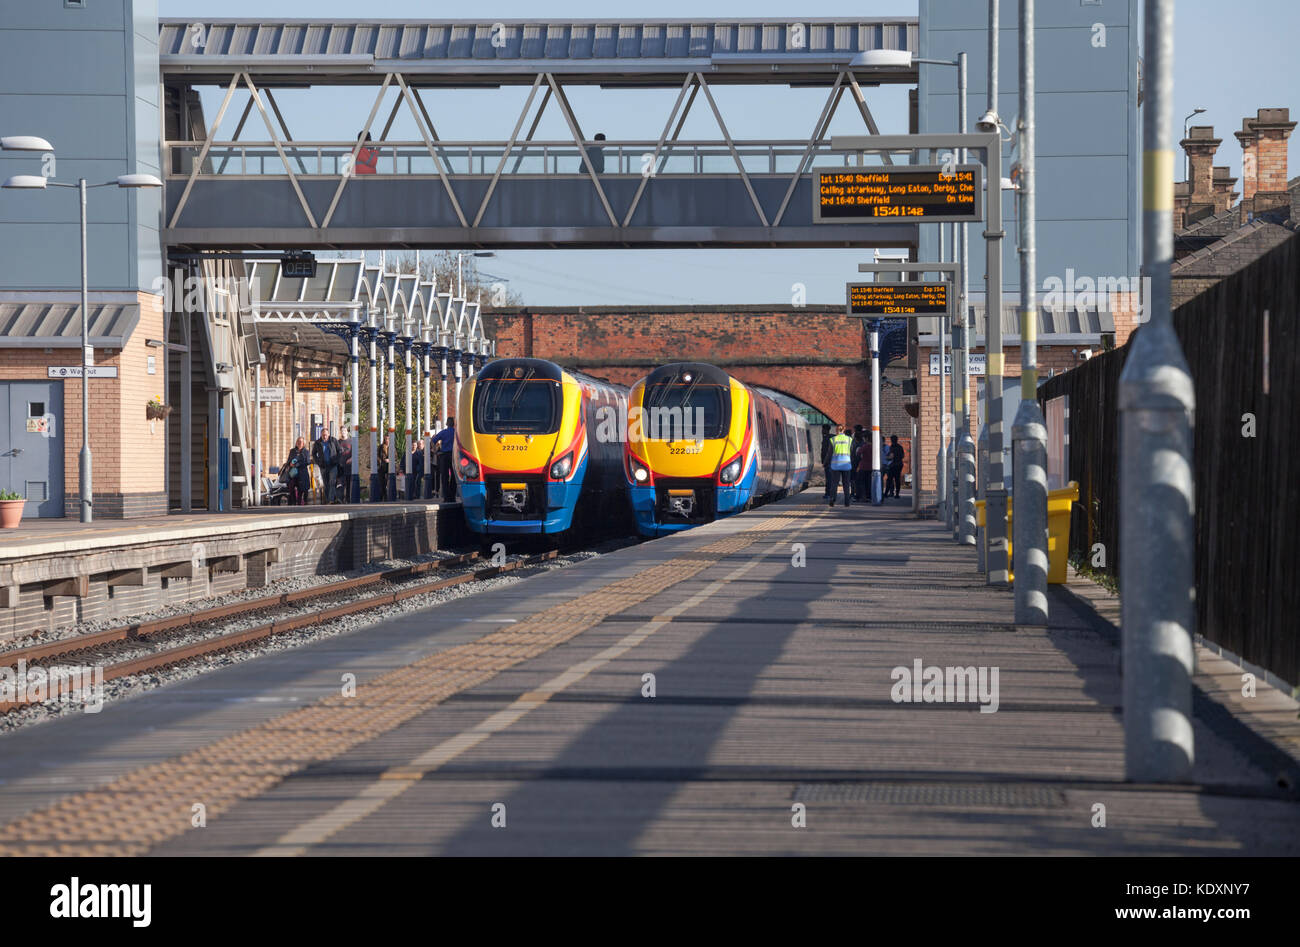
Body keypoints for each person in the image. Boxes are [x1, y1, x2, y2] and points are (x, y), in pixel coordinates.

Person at [828, 423, 853, 508]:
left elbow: (829, 453)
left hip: (836, 465)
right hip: (846, 465)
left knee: (834, 483)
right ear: (844, 429)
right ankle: (847, 502)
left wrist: (825, 462)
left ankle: (832, 499)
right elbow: (852, 452)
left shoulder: (833, 439)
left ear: (836, 429)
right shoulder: (849, 439)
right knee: (846, 484)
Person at [432, 417, 457, 502]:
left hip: (444, 455)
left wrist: (435, 452)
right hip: (454, 456)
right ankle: (452, 497)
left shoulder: (443, 432)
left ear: (446, 424)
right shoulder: (456, 433)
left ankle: (446, 497)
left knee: (444, 476)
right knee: (454, 476)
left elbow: (433, 441)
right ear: (453, 424)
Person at [312, 427, 339, 504]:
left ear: (328, 434)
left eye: (326, 435)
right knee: (326, 484)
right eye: (323, 435)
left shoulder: (333, 441)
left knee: (332, 482)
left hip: (333, 465)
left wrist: (336, 460)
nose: (325, 436)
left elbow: (339, 450)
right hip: (323, 466)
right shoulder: (318, 443)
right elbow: (314, 453)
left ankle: (331, 500)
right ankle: (328, 500)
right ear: (321, 435)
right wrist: (318, 462)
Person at [284, 437, 311, 506]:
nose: (299, 443)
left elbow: (307, 462)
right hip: (293, 473)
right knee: (291, 486)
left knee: (301, 489)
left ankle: (299, 503)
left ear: (303, 443)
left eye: (301, 442)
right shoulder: (292, 451)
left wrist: (297, 464)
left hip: (302, 473)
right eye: (298, 441)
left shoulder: (306, 452)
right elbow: (289, 460)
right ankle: (293, 501)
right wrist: (290, 464)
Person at [886, 435, 905, 499]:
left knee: (890, 479)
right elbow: (902, 456)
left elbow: (890, 456)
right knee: (897, 479)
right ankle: (897, 494)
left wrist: (887, 458)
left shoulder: (891, 447)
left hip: (893, 465)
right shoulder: (900, 447)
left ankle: (886, 493)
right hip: (899, 464)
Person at [335, 435, 353, 503]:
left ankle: (348, 499)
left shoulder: (351, 441)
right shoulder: (337, 442)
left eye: (344, 431)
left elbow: (354, 453)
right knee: (340, 484)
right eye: (342, 431)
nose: (343, 432)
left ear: (347, 432)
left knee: (348, 484)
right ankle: (340, 499)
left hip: (348, 466)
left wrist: (351, 459)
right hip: (340, 466)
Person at [820, 428, 833, 500]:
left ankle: (828, 493)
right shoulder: (832, 437)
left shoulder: (826, 439)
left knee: (829, 479)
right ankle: (831, 493)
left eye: (823, 429)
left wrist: (824, 462)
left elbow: (825, 452)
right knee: (831, 479)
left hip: (828, 462)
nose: (822, 431)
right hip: (833, 461)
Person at [377, 435, 390, 501]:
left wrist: (389, 460)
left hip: (389, 467)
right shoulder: (381, 447)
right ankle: (383, 496)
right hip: (382, 467)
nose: (387, 440)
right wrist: (382, 460)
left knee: (387, 482)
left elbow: (395, 457)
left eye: (388, 439)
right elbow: (378, 456)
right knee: (382, 482)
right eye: (386, 439)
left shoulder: (392, 447)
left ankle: (384, 496)